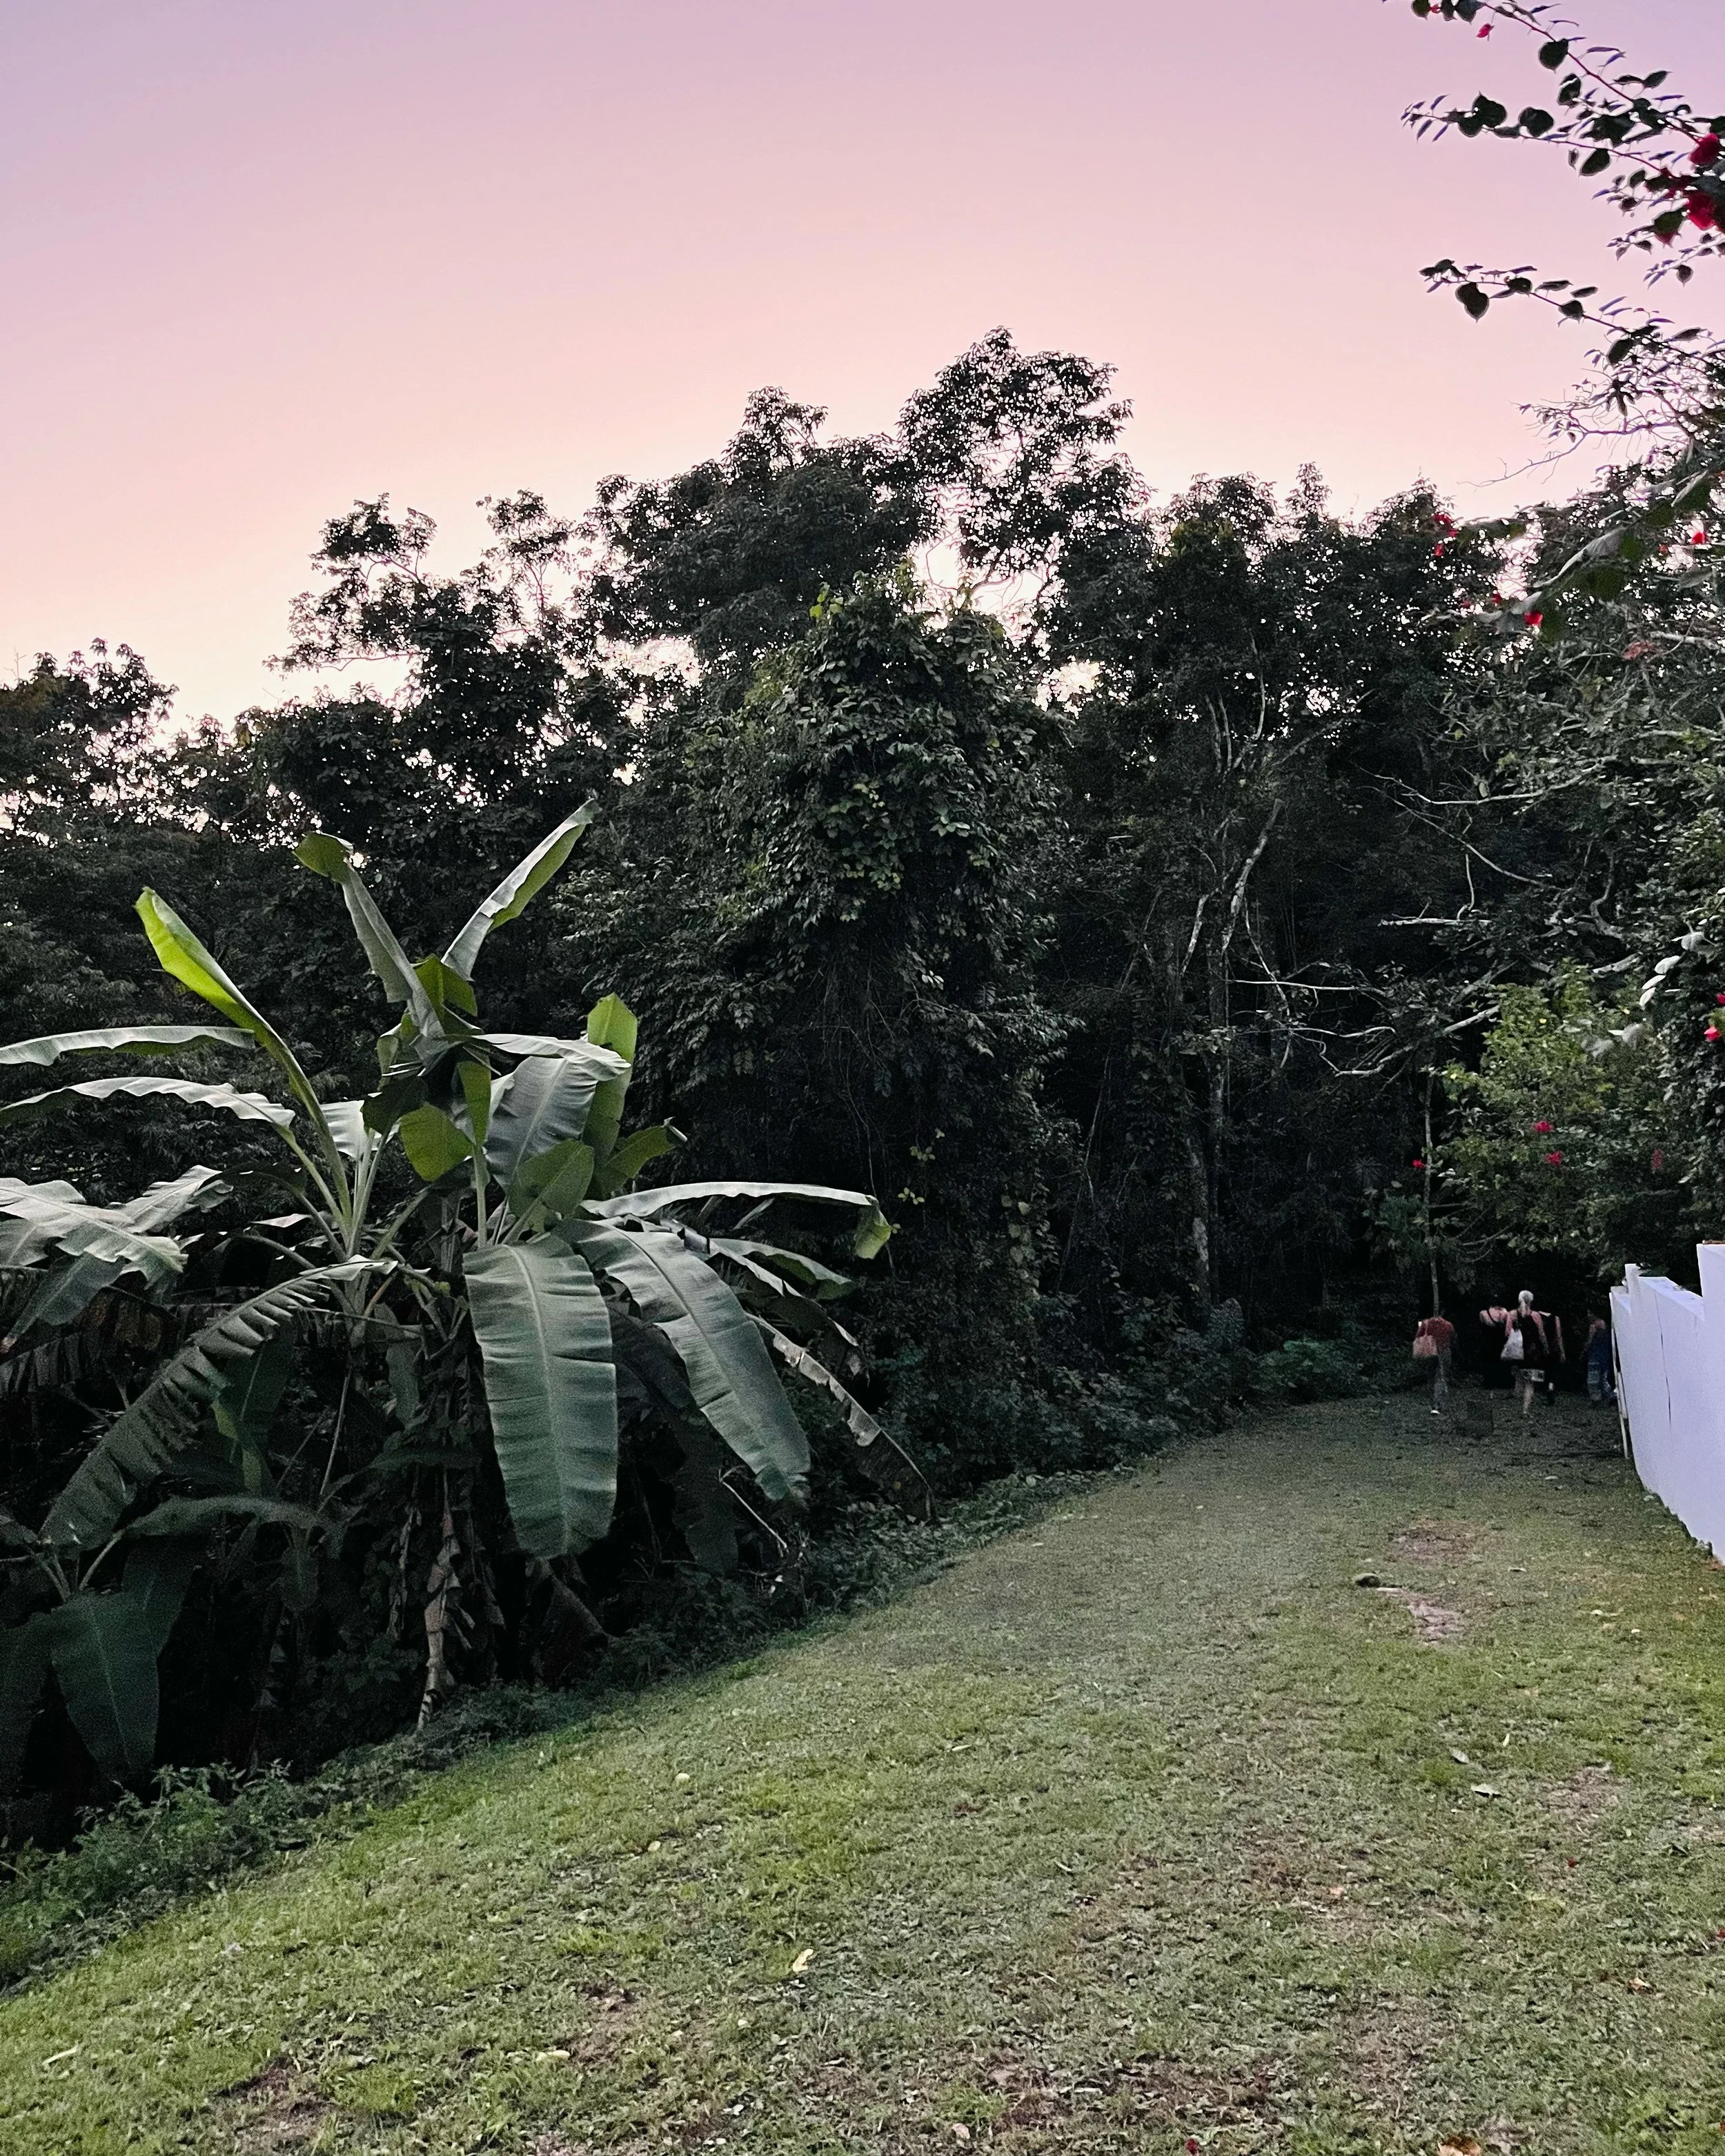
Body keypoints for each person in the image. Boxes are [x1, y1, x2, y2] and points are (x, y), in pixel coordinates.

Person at [1498, 1289, 1564, 1419]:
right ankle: (1525, 1411)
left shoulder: (1512, 1315)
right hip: (1533, 1353)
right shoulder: (1535, 1316)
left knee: (1519, 1382)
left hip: (1517, 1354)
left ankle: (1515, 1406)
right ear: (1531, 1301)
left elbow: (1507, 1333)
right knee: (1530, 1384)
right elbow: (1541, 1334)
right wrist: (1546, 1349)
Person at [1413, 1311, 1456, 1414]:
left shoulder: (1425, 1323)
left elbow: (1417, 1337)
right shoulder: (1448, 1325)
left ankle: (1434, 1402)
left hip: (1429, 1353)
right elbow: (1453, 1339)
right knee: (1441, 1377)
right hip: (1444, 1352)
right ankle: (1438, 1404)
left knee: (1432, 1376)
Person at [1585, 1316, 1615, 1406]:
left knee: (1593, 1378)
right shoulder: (1605, 1327)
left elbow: (1590, 1340)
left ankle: (1596, 1399)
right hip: (1604, 1355)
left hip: (1595, 1355)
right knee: (1603, 1378)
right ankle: (1611, 1396)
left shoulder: (1593, 1326)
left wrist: (1585, 1349)